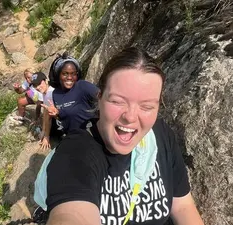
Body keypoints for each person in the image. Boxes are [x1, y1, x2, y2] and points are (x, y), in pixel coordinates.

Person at [33, 47, 204, 225]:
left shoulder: (161, 135)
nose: (130, 117)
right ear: (99, 97)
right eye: (117, 101)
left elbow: (182, 206)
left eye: (147, 106)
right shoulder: (76, 151)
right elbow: (72, 215)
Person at [38, 52, 99, 149]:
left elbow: (104, 99)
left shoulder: (82, 86)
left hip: (91, 138)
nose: (69, 77)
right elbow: (66, 114)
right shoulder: (56, 94)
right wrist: (57, 114)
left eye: (73, 74)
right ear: (58, 74)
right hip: (72, 138)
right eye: (65, 74)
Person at [30, 72, 62, 150]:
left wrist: (46, 136)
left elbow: (48, 115)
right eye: (35, 85)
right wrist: (44, 130)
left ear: (45, 80)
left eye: (39, 83)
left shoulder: (51, 93)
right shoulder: (45, 93)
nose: (37, 87)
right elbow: (45, 111)